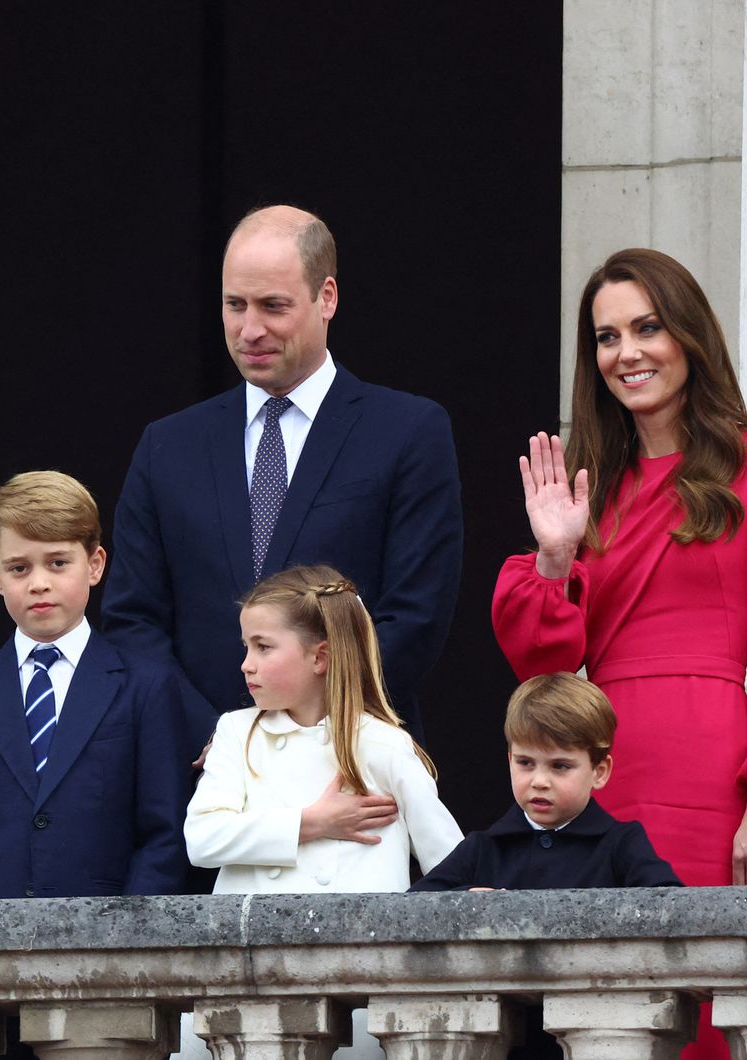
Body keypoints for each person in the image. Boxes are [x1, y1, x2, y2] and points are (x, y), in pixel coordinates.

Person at [492, 247, 747, 1060]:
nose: (627, 352)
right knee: (607, 1012)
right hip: (605, 767)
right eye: (606, 335)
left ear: (689, 336)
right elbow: (540, 662)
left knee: (698, 1008)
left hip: (710, 769)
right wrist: (554, 555)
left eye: (647, 327)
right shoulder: (590, 487)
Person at [103, 205, 462, 744]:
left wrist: (308, 733)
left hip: (351, 762)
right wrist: (218, 738)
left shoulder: (408, 432)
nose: (251, 330)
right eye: (234, 305)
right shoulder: (167, 446)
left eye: (273, 306)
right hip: (201, 774)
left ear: (328, 298)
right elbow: (134, 620)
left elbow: (415, 616)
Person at [0, 470, 192, 900]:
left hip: (107, 938)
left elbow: (163, 834)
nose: (39, 582)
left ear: (95, 565)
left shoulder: (146, 687)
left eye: (58, 562)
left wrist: (129, 941)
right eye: (19, 568)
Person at [184, 565, 461, 893]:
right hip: (250, 941)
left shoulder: (383, 744)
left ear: (320, 658)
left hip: (356, 941)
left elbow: (449, 862)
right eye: (246, 646)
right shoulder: (236, 732)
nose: (246, 663)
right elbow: (202, 840)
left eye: (263, 647)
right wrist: (311, 823)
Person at [410, 673, 681, 891]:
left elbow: (671, 907)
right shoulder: (483, 848)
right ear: (509, 759)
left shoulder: (621, 845)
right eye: (525, 763)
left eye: (560, 766)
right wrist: (465, 900)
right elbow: (412, 908)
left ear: (599, 771)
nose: (539, 781)